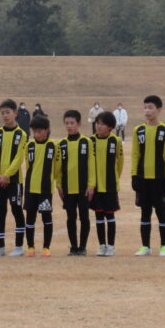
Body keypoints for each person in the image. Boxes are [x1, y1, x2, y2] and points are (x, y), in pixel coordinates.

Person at [132, 95, 165, 256]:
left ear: (159, 109)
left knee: (161, 212)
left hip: (159, 178)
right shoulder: (138, 130)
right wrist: (134, 175)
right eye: (145, 107)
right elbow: (135, 154)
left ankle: (164, 246)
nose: (147, 111)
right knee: (145, 212)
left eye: (150, 107)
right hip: (143, 178)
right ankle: (145, 246)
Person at [0, 99, 28, 257]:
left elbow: (19, 158)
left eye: (8, 112)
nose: (5, 116)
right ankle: (0, 247)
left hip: (14, 180)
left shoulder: (21, 134)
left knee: (16, 210)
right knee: (0, 211)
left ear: (15, 113)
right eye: (3, 113)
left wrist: (7, 175)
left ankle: (19, 246)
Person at [56, 109, 95, 256]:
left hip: (83, 188)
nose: (69, 126)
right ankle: (73, 247)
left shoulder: (86, 142)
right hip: (68, 188)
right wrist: (59, 185)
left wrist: (91, 185)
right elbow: (58, 168)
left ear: (78, 124)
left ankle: (82, 247)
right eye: (66, 123)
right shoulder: (61, 144)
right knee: (70, 218)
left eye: (72, 123)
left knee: (84, 217)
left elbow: (91, 165)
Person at [23, 114, 60, 257]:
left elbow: (57, 168)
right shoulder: (29, 146)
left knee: (46, 218)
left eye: (39, 131)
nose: (37, 134)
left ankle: (46, 247)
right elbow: (28, 165)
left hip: (45, 189)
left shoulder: (53, 146)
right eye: (34, 131)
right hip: (30, 188)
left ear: (47, 130)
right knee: (30, 218)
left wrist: (55, 183)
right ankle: (30, 247)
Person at [90, 111, 123, 256]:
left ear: (110, 127)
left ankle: (111, 246)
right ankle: (102, 245)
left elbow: (120, 162)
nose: (99, 126)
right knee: (98, 216)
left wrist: (115, 178)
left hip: (110, 185)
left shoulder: (115, 141)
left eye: (102, 124)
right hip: (96, 186)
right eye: (97, 123)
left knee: (110, 216)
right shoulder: (91, 141)